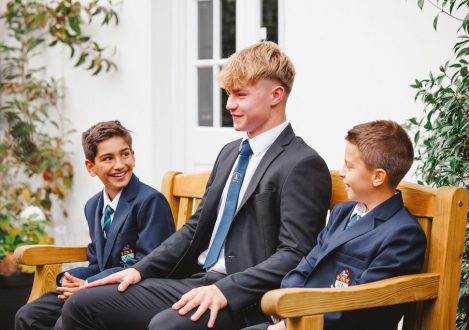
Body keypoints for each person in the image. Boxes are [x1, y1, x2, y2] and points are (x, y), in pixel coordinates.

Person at [59, 41, 332, 330]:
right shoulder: (230, 153)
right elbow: (195, 226)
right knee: (81, 304)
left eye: (240, 95)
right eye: (228, 94)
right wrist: (139, 271)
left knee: (166, 326)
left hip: (247, 298)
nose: (229, 105)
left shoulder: (302, 164)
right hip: (197, 279)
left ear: (276, 95)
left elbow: (295, 253)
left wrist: (226, 290)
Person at [251, 120, 427, 330]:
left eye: (350, 166)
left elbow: (365, 305)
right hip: (299, 316)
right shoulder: (343, 212)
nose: (341, 172)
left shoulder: (402, 235)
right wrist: (287, 307)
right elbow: (308, 264)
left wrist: (296, 322)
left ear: (378, 177)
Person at [15, 120, 175, 330]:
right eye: (108, 158)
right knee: (28, 316)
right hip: (98, 288)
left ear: (133, 156)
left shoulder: (150, 201)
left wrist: (89, 285)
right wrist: (68, 280)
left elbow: (149, 263)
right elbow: (96, 263)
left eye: (124, 154)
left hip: (136, 290)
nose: (119, 164)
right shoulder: (93, 206)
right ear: (91, 167)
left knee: (66, 321)